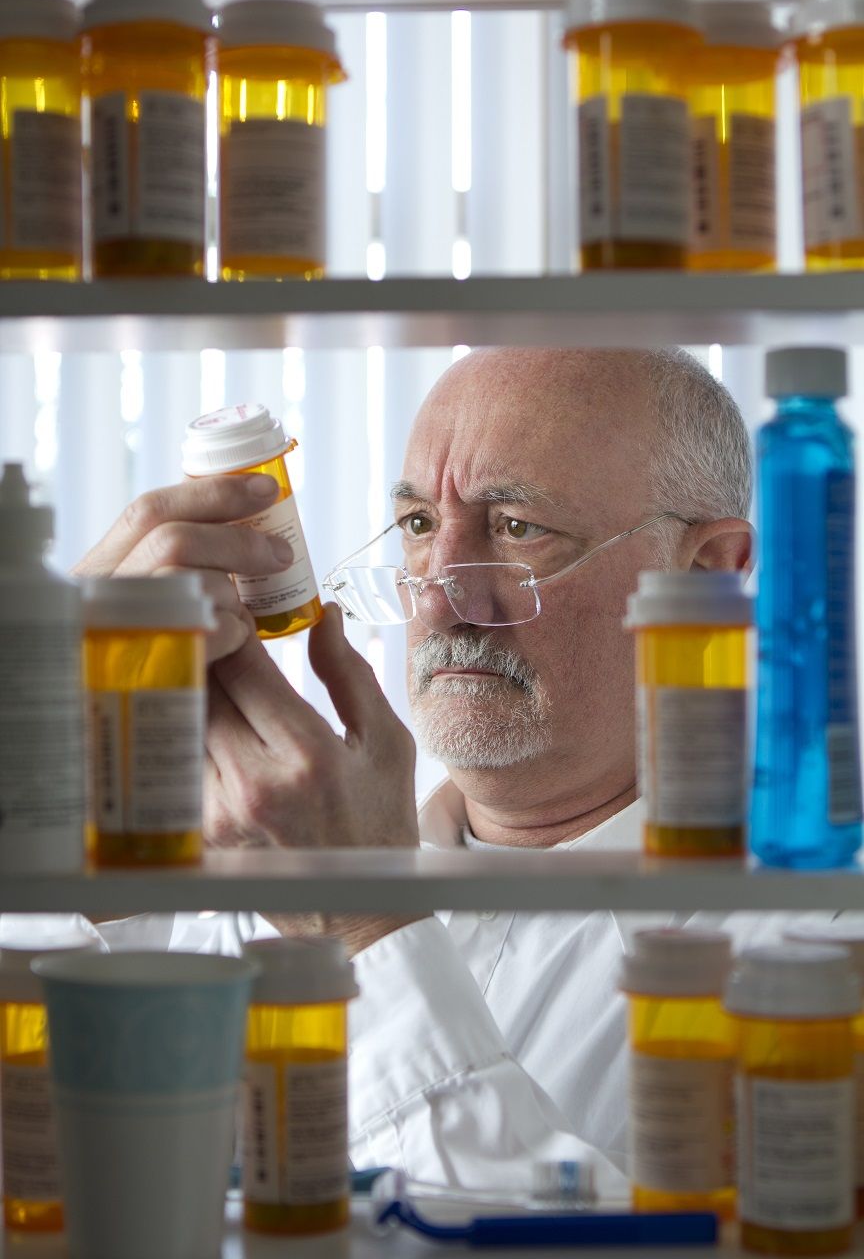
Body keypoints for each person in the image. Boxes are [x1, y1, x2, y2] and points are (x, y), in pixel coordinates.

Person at [76, 347, 772, 1193]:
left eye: (517, 529)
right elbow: (87, 1172)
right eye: (416, 526)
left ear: (708, 576)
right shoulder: (267, 863)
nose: (439, 599)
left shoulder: (811, 930)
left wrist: (365, 924)